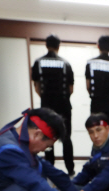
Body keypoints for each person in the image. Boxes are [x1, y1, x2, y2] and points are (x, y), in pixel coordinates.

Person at [32, 34, 75, 175]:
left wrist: (46, 98)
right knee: (66, 137)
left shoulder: (38, 62)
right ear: (58, 46)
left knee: (47, 135)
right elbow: (71, 89)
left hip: (46, 107)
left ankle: (49, 168)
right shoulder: (66, 63)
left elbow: (37, 86)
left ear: (46, 45)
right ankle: (70, 169)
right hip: (63, 105)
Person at [85, 35, 109, 133]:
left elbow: (88, 86)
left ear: (98, 46)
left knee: (95, 132)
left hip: (96, 104)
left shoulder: (90, 63)